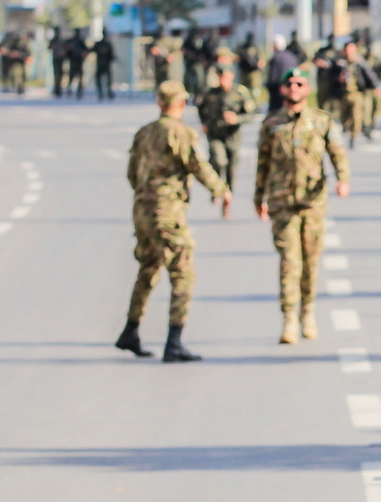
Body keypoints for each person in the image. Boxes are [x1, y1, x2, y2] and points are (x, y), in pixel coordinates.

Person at [116, 81, 230, 362]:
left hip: (142, 210)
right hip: (167, 211)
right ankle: (174, 341)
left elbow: (132, 173)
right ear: (181, 103)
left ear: (159, 103)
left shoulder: (144, 132)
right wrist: (220, 190)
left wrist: (146, 194)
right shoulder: (181, 133)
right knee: (183, 272)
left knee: (149, 267)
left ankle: (131, 329)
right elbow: (198, 166)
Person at [254, 70, 351, 344]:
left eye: (300, 83)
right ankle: (288, 318)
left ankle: (307, 311)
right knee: (289, 262)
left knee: (310, 262)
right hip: (282, 203)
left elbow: (337, 152)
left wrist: (343, 179)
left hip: (312, 203)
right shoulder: (271, 123)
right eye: (289, 83)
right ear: (282, 89)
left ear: (308, 89)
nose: (294, 87)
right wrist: (258, 197)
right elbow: (262, 163)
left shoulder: (321, 121)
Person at [198, 62, 261, 190]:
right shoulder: (210, 93)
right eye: (220, 76)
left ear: (232, 75)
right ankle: (216, 189)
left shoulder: (240, 93)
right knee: (218, 160)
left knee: (232, 167)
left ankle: (229, 192)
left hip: (233, 135)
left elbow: (252, 113)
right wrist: (204, 123)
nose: (223, 80)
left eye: (225, 76)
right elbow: (201, 108)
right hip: (215, 133)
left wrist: (237, 118)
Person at [91, 33, 116, 100]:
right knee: (100, 79)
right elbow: (93, 50)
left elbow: (111, 55)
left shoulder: (107, 44)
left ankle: (108, 92)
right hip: (101, 64)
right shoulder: (101, 44)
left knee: (108, 80)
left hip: (105, 64)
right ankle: (101, 93)